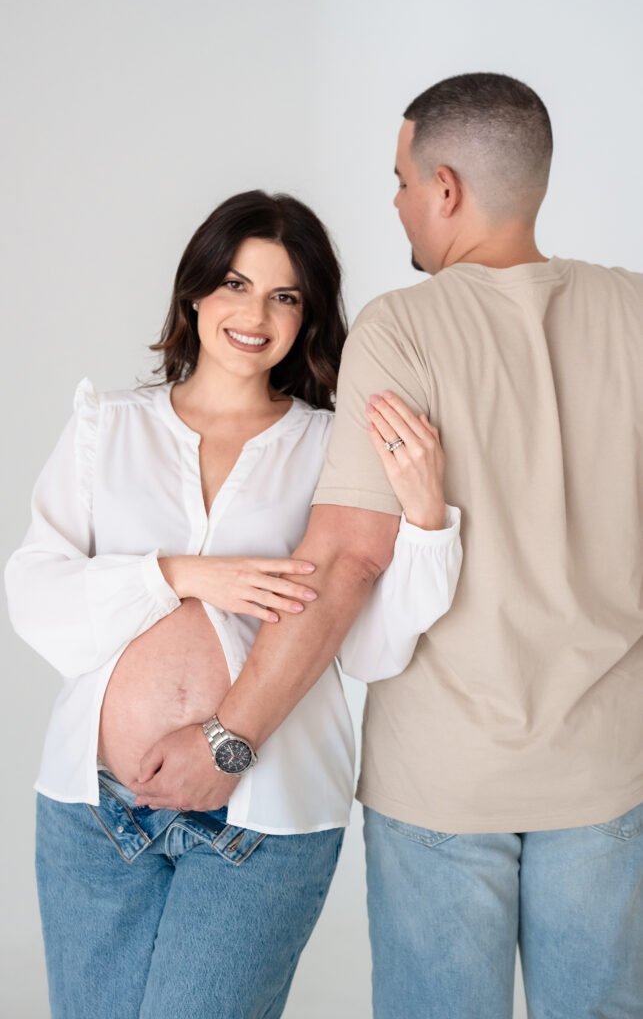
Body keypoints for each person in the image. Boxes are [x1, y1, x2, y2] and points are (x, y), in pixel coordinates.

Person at [134, 76, 643, 1018]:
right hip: (610, 769)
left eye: (401, 179)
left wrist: (228, 738)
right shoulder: (633, 311)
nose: (397, 201)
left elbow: (347, 562)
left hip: (442, 782)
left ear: (443, 188)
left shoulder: (403, 327)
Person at [5, 189, 462, 1019]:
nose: (256, 314)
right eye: (236, 284)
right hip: (93, 809)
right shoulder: (106, 425)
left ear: (309, 313)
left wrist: (428, 521)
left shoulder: (333, 445)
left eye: (285, 295)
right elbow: (34, 594)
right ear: (194, 293)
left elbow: (371, 649)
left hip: (264, 817)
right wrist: (179, 573)